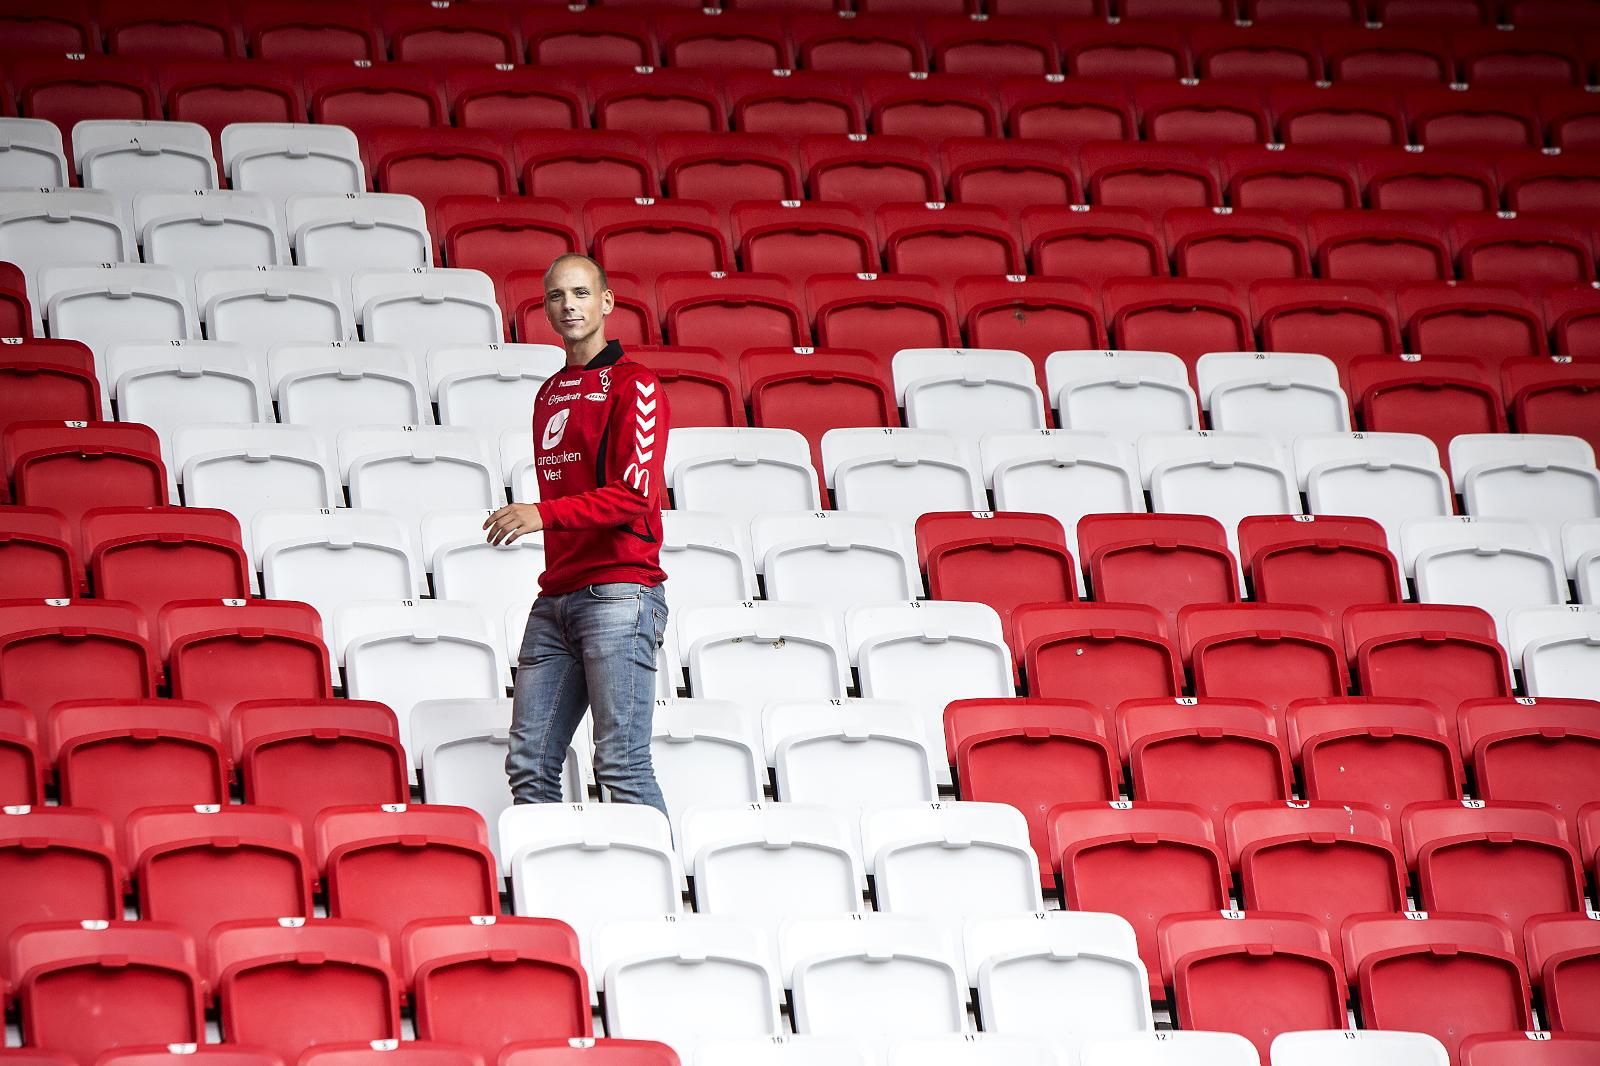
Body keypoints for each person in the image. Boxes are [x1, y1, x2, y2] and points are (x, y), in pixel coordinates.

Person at [485, 253, 671, 818]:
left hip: (619, 592)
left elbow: (635, 494)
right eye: (557, 296)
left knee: (620, 764)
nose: (569, 305)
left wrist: (543, 514)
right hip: (557, 597)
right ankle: (551, 870)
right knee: (529, 763)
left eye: (582, 293)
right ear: (545, 310)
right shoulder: (549, 393)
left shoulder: (636, 385)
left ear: (607, 301)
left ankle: (657, 872)